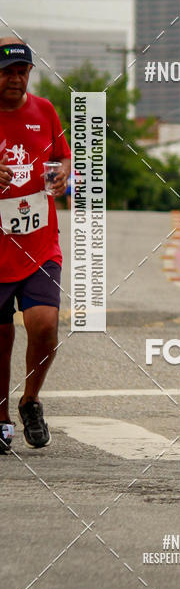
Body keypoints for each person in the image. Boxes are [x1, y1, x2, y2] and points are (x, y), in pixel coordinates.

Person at [0, 38, 70, 453]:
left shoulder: (43, 110)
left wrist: (63, 173)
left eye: (22, 71)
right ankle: (1, 417)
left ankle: (30, 401)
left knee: (44, 325)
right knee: (1, 339)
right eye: (8, 71)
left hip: (40, 244)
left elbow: (62, 156)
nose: (16, 78)